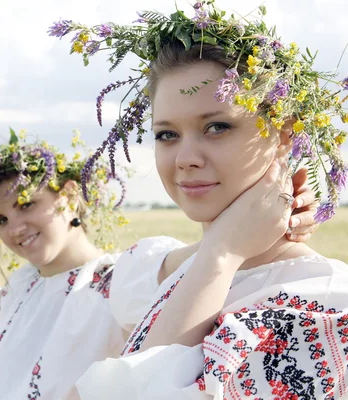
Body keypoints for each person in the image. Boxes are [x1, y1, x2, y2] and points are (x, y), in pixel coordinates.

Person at [0, 125, 321, 399]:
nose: (14, 227)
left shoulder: (122, 276)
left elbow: (205, 258)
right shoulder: (18, 290)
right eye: (0, 219)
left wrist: (269, 216)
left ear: (70, 195)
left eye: (27, 205)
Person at [52, 1, 348, 398]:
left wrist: (224, 252)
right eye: (166, 134)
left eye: (217, 126)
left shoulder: (325, 306)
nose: (186, 159)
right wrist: (222, 249)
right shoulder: (170, 272)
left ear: (283, 135)